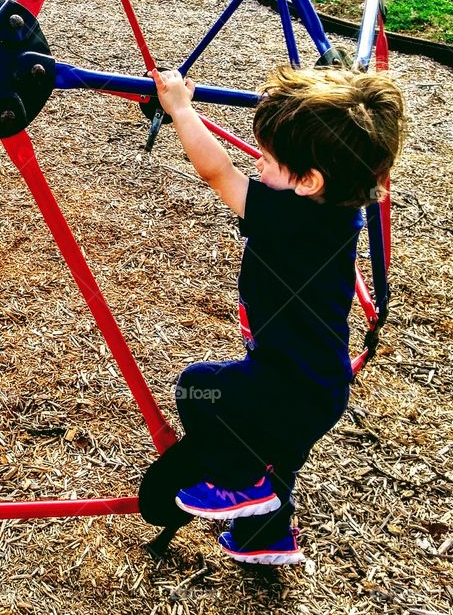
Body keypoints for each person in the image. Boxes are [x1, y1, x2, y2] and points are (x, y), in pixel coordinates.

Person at [138, 65, 405, 564]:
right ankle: (267, 538)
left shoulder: (290, 217)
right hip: (318, 387)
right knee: (277, 455)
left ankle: (238, 482)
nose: (257, 166)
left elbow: (217, 172)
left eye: (267, 159)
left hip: (287, 385)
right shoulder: (342, 206)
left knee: (198, 386)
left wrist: (180, 108)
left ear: (309, 181)